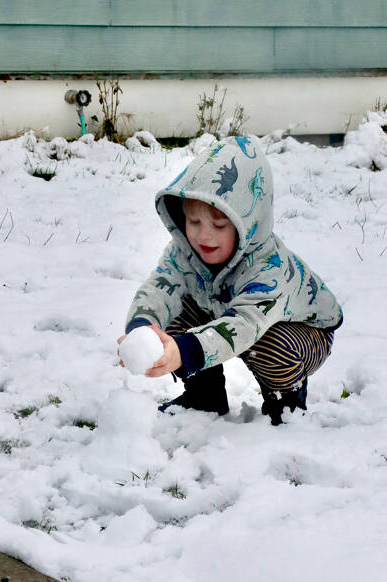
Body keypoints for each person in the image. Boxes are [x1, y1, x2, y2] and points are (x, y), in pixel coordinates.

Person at [119, 136, 343, 425]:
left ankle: (285, 404)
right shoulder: (184, 252)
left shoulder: (268, 270)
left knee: (271, 344)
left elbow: (244, 325)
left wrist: (185, 351)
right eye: (194, 222)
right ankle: (205, 397)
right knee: (177, 311)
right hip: (228, 311)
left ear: (247, 224)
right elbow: (159, 289)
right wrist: (142, 328)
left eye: (219, 225)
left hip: (300, 331)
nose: (203, 235)